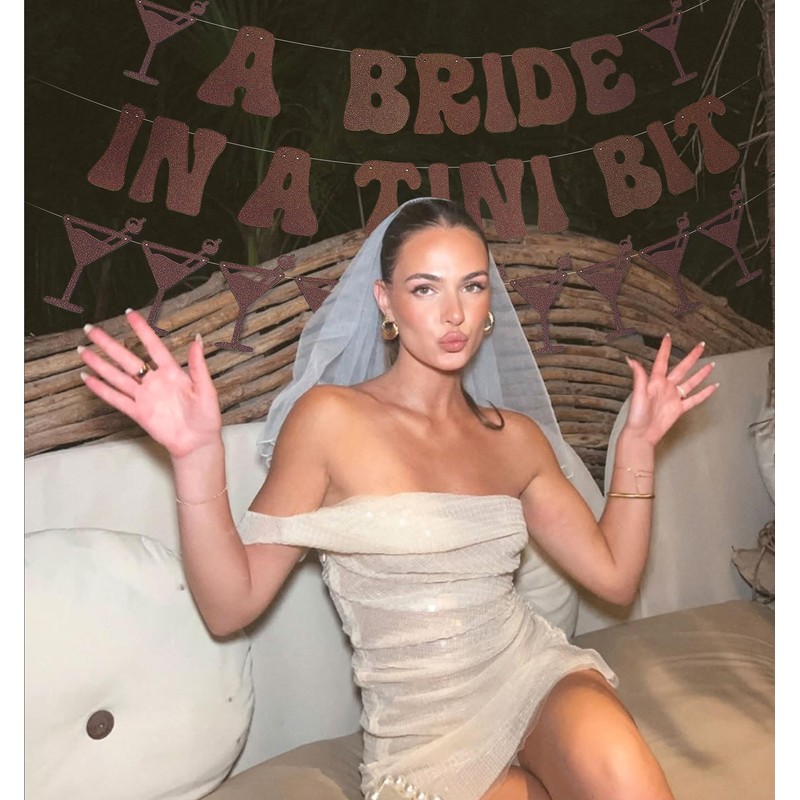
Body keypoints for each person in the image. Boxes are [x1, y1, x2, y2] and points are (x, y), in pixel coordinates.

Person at [79, 197, 717, 800]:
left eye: (472, 285)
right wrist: (196, 458)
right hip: (422, 737)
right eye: (425, 288)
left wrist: (636, 446)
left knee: (623, 768)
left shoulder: (516, 439)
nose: (454, 313)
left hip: (531, 676)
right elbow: (229, 605)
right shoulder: (329, 420)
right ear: (385, 299)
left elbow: (615, 576)